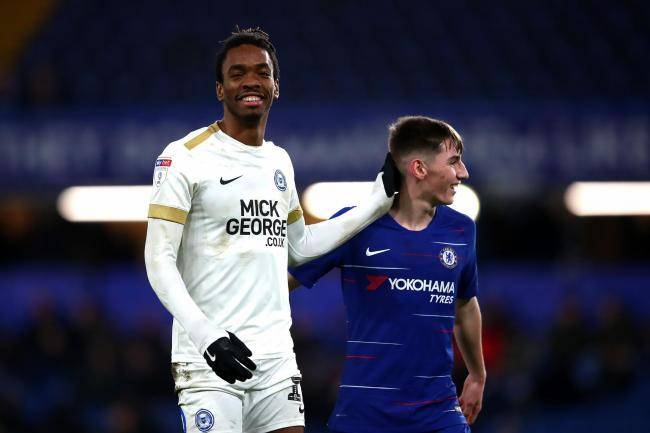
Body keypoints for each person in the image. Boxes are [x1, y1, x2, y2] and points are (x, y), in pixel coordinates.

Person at [143, 27, 399, 433]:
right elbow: (158, 260)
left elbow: (299, 246)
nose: (251, 81)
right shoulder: (184, 158)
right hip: (208, 360)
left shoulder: (279, 160)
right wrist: (208, 337)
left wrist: (375, 203)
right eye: (237, 73)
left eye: (262, 73)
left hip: (276, 360)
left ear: (275, 87)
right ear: (220, 89)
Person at [289, 116, 486, 433]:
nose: (463, 172)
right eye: (453, 162)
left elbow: (465, 305)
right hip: (365, 415)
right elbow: (284, 281)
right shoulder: (355, 225)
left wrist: (477, 375)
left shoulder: (461, 230)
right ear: (419, 168)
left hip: (438, 413)